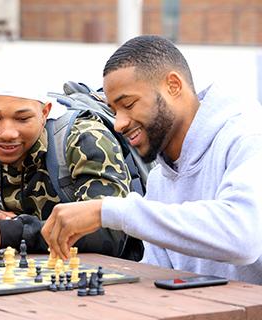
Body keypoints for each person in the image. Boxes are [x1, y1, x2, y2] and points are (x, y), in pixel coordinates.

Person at [41, 35, 262, 285]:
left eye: (129, 104)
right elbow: (159, 277)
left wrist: (108, 210)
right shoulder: (159, 178)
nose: (119, 123)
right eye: (114, 111)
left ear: (173, 86)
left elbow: (244, 238)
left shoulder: (250, 138)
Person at [0, 62, 139, 259]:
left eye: (22, 119)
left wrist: (7, 232)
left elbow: (111, 231)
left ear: (45, 112)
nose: (6, 133)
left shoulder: (83, 140)